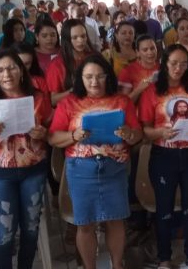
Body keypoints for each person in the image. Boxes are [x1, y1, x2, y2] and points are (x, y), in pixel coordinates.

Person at [48, 54, 143, 269]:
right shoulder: (69, 103)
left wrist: (129, 134)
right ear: (79, 78)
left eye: (100, 76)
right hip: (81, 170)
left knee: (115, 220)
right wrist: (74, 136)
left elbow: (138, 134)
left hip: (114, 168)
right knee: (85, 224)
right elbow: (53, 137)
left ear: (108, 77)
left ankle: (117, 264)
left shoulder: (122, 101)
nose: (94, 82)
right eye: (89, 77)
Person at [0, 48, 52, 269]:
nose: (6, 75)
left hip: (34, 170)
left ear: (21, 70)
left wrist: (43, 133)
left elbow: (50, 131)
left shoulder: (37, 97)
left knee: (31, 226)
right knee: (5, 231)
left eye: (11, 68)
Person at [138, 45, 188, 269]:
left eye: (183, 63)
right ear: (164, 63)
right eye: (173, 63)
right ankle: (164, 258)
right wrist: (161, 132)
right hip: (164, 155)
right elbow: (146, 130)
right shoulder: (152, 92)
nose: (178, 68)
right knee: (164, 209)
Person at [46, 19, 94, 106]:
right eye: (75, 37)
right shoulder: (57, 65)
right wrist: (73, 91)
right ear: (67, 39)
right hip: (70, 109)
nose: (80, 41)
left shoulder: (94, 57)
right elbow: (53, 100)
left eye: (83, 36)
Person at [118, 34, 160, 103]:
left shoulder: (164, 68)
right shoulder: (128, 71)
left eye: (152, 48)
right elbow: (122, 103)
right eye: (145, 50)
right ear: (137, 53)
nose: (150, 52)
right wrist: (139, 89)